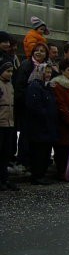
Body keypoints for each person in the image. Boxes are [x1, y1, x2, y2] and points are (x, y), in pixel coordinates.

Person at [13, 42, 49, 170]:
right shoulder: (26, 65)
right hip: (26, 106)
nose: (39, 53)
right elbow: (19, 86)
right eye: (37, 50)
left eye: (42, 51)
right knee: (25, 134)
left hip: (39, 105)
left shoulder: (46, 67)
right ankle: (23, 160)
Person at [25, 64, 59, 185]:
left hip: (47, 125)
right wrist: (47, 115)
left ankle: (41, 174)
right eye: (46, 72)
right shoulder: (35, 86)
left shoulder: (47, 87)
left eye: (50, 72)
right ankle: (37, 175)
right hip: (39, 126)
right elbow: (34, 106)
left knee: (45, 152)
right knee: (38, 153)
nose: (48, 75)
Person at [0, 61, 19, 191]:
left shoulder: (11, 85)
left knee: (6, 153)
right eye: (7, 71)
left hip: (9, 122)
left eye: (11, 71)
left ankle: (4, 178)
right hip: (1, 122)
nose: (10, 74)